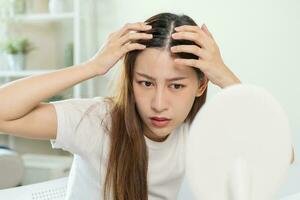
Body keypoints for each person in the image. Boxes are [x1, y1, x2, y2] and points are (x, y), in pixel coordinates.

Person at [0, 12, 253, 200]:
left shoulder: (200, 130)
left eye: (176, 86)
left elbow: (285, 156)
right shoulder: (97, 120)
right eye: (145, 83)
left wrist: (224, 75)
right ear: (130, 81)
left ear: (200, 86)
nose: (159, 104)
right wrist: (92, 67)